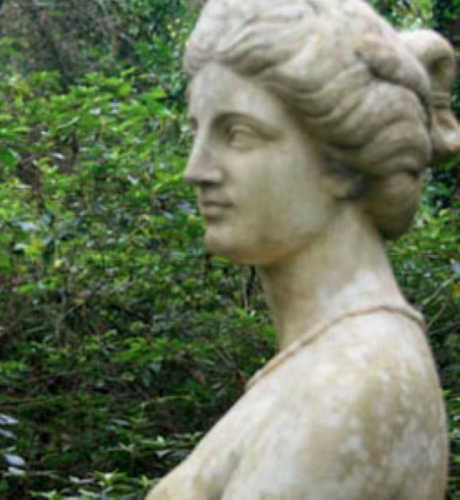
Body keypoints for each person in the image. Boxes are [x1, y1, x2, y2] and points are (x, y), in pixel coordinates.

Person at [147, 0, 460, 498]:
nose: (196, 169)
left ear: (345, 158)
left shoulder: (352, 388)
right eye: (195, 131)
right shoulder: (325, 366)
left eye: (238, 134)